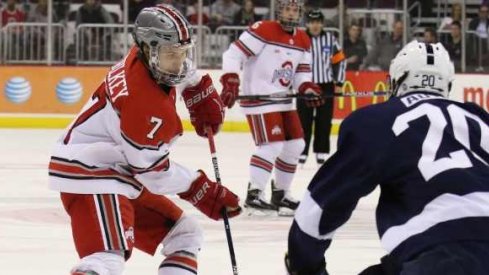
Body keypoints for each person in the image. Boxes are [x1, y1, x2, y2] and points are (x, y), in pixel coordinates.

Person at [48, 5, 241, 275]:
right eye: (173, 54)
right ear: (150, 49)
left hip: (115, 171)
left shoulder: (146, 59)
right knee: (107, 259)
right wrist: (202, 190)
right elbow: (154, 173)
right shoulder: (144, 104)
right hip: (93, 173)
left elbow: (179, 67)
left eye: (184, 52)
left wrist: (197, 87)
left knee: (185, 235)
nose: (180, 61)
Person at [286, 40, 489, 275]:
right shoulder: (481, 119)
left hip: (440, 256)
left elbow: (322, 206)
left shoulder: (378, 120)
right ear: (448, 84)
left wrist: (304, 263)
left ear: (396, 80)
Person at [220, 0, 322, 215]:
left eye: (295, 10)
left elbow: (302, 73)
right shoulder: (264, 29)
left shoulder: (303, 38)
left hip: (283, 100)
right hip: (259, 98)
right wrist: (230, 78)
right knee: (271, 146)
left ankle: (281, 195)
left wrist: (307, 88)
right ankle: (254, 195)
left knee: (296, 145)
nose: (291, 13)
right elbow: (232, 54)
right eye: (287, 8)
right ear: (279, 10)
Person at [298, 9, 346, 165]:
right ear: (307, 24)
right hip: (305, 85)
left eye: (318, 22)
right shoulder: (300, 39)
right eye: (312, 22)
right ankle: (302, 152)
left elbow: (340, 61)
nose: (315, 25)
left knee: (324, 120)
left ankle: (321, 151)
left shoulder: (330, 39)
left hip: (325, 85)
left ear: (322, 23)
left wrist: (339, 83)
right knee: (303, 120)